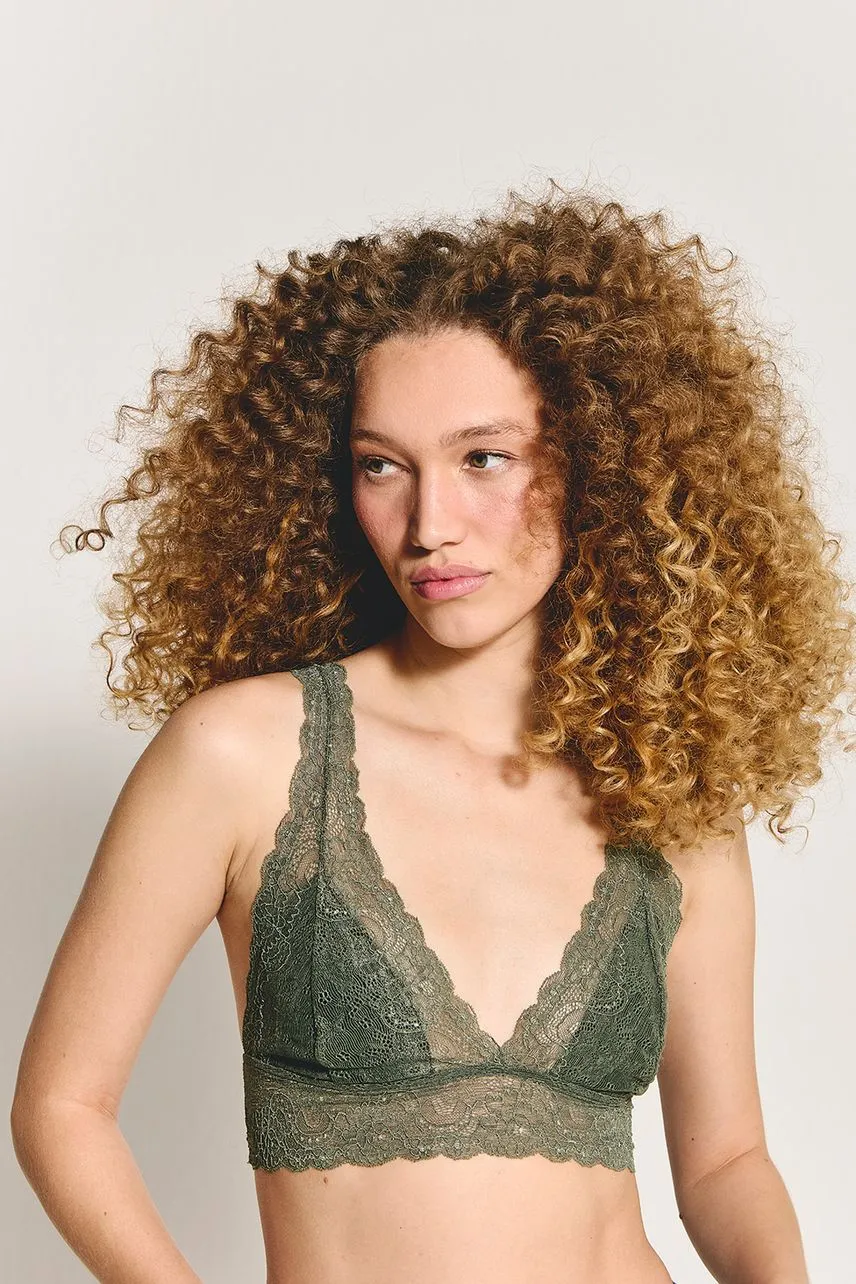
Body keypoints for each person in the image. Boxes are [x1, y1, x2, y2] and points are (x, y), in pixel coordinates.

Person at [11, 180, 851, 1284]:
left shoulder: (665, 792)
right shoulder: (244, 755)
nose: (429, 525)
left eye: (482, 459)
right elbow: (63, 1107)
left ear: (595, 463)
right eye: (382, 464)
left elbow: (727, 1161)